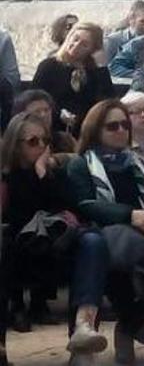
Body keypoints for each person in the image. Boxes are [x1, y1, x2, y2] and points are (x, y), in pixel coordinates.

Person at [65, 100, 144, 365]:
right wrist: (129, 215)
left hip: (142, 236)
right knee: (104, 260)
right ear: (95, 129)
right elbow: (85, 205)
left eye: (125, 125)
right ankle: (112, 328)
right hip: (101, 236)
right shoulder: (81, 164)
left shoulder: (137, 163)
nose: (121, 130)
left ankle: (130, 321)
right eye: (112, 126)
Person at [0, 113, 70, 340]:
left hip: (44, 239)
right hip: (15, 237)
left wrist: (42, 174)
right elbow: (17, 215)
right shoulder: (7, 176)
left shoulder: (51, 174)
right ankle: (17, 306)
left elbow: (58, 209)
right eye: (33, 141)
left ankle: (39, 305)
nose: (41, 147)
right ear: (16, 144)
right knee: (10, 243)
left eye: (45, 141)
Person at [32, 22, 114, 136]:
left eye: (84, 44)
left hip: (86, 131)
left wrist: (101, 66)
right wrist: (58, 113)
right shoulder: (49, 66)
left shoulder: (94, 72)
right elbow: (35, 98)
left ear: (92, 50)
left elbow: (107, 101)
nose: (76, 45)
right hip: (55, 130)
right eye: (75, 39)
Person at [11, 90, 77, 153]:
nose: (43, 115)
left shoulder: (65, 140)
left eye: (46, 110)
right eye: (37, 111)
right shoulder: (15, 143)